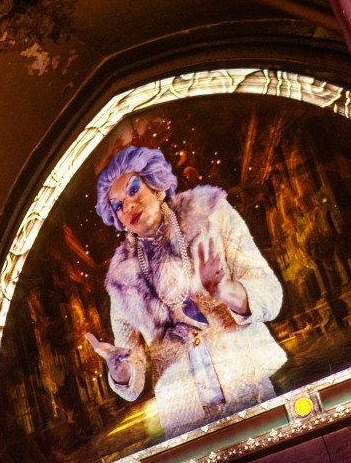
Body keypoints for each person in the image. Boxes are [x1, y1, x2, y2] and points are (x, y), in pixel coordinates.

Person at [86, 145, 288, 439]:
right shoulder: (121, 277)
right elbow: (133, 367)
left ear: (156, 186)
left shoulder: (210, 215)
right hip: (185, 421)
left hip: (249, 390)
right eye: (117, 205)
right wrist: (120, 369)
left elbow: (270, 294)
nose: (127, 206)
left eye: (133, 190)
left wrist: (226, 291)